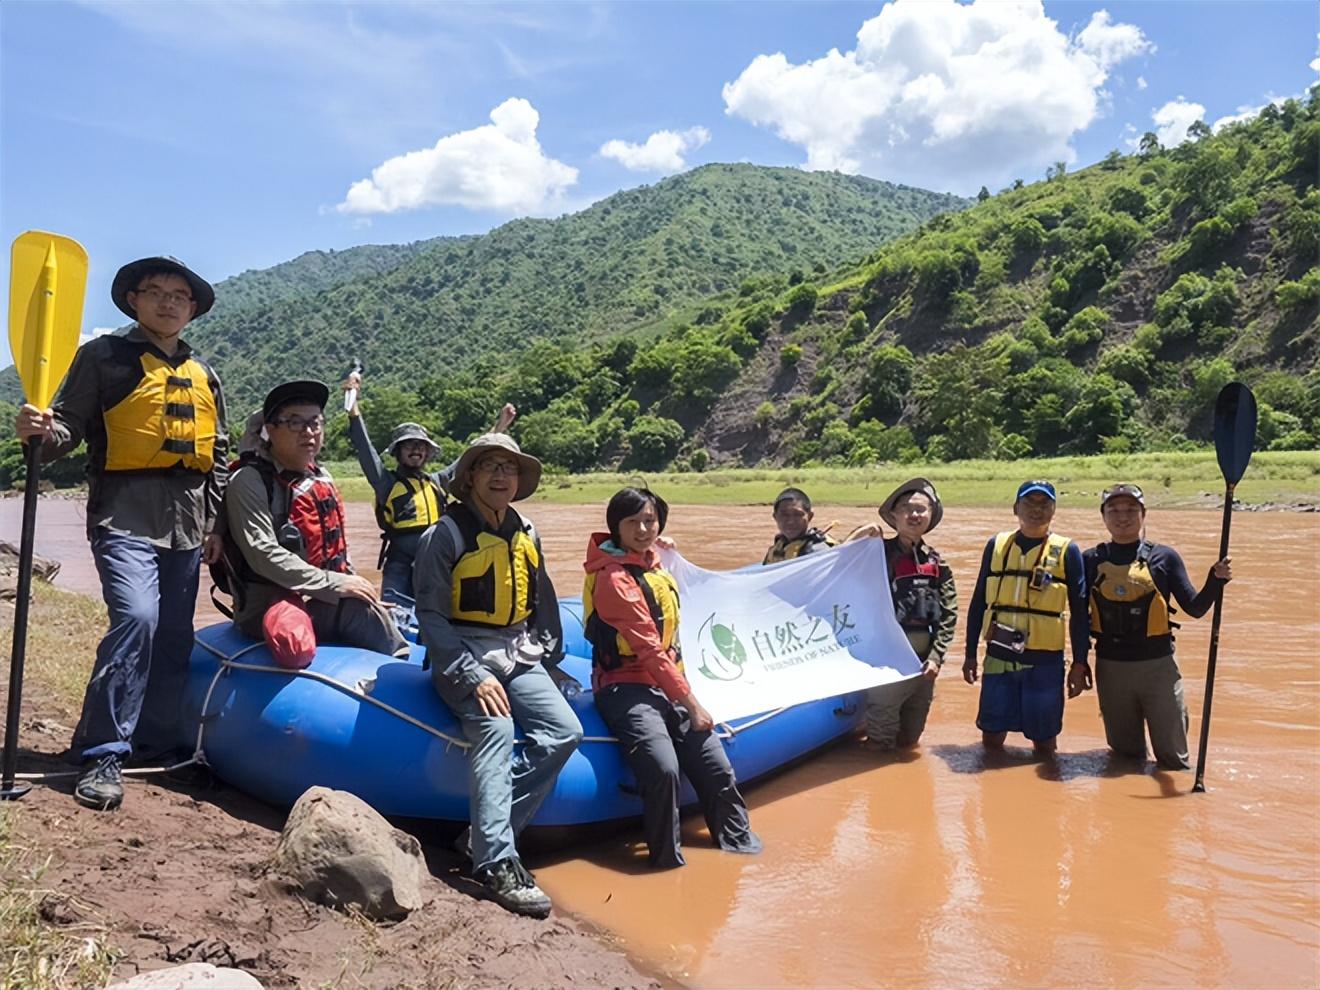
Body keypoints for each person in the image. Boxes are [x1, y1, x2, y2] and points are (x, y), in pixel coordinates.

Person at [14, 256, 228, 811]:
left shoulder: (205, 373)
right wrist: (39, 432)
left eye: (179, 295)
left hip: (186, 523)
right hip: (123, 515)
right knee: (137, 619)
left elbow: (218, 452)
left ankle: (154, 746)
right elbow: (68, 428)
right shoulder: (103, 356)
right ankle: (103, 752)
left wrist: (214, 524)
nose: (167, 302)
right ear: (133, 300)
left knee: (175, 638)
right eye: (154, 292)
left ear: (193, 308)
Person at [413, 433, 582, 918]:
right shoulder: (443, 535)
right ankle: (495, 861)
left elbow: (542, 602)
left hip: (517, 649)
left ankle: (482, 836)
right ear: (469, 477)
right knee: (496, 727)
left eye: (509, 467)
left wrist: (549, 657)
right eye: (490, 466)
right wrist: (469, 675)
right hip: (463, 650)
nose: (501, 475)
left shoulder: (528, 530)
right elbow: (431, 615)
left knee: (565, 731)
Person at [584, 487, 762, 869]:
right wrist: (693, 705)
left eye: (650, 520)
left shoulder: (653, 560)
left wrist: (660, 546)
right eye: (633, 522)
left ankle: (741, 845)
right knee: (664, 769)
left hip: (666, 683)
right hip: (624, 685)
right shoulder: (613, 579)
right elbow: (649, 649)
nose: (644, 529)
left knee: (716, 767)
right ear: (615, 527)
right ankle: (666, 863)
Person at [220, 380, 408, 669]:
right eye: (295, 423)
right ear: (270, 430)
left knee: (373, 614)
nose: (309, 432)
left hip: (323, 592)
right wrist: (334, 585)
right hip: (272, 599)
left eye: (315, 423)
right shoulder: (249, 480)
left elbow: (336, 551)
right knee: (295, 644)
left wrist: (353, 586)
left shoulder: (321, 476)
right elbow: (263, 555)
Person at [1084, 483, 1232, 770]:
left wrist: (1216, 580)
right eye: (1114, 510)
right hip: (1111, 667)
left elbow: (1195, 608)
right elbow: (1078, 615)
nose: (1122, 517)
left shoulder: (1165, 557)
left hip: (1159, 668)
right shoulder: (1090, 559)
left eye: (1130, 510)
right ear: (1103, 516)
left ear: (1144, 514)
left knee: (1173, 759)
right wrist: (1079, 662)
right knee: (1125, 760)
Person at [342, 369, 516, 605]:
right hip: (400, 565)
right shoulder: (386, 483)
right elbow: (365, 449)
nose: (416, 450)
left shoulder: (437, 482)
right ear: (398, 452)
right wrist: (353, 410)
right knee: (396, 614)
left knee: (441, 612)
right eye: (409, 445)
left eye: (421, 446)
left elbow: (470, 454)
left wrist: (500, 426)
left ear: (427, 453)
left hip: (437, 561)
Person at [962, 481, 1091, 756]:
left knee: (1045, 741)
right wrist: (970, 653)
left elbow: (1080, 614)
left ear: (1054, 509)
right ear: (1015, 508)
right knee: (992, 735)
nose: (1037, 509)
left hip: (1044, 660)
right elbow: (977, 602)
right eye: (1029, 503)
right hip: (999, 655)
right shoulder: (996, 545)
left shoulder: (1068, 550)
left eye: (1044, 503)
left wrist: (1080, 663)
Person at [850, 478, 958, 751]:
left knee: (911, 740)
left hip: (924, 666)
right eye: (907, 508)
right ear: (894, 516)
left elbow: (949, 614)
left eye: (921, 509)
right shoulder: (877, 553)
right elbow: (837, 561)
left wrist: (937, 657)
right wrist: (864, 531)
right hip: (886, 663)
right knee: (880, 743)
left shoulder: (938, 563)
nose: (914, 515)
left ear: (930, 516)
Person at [762, 487, 835, 564]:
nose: (791, 521)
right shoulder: (775, 549)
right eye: (784, 515)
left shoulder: (819, 553)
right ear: (775, 517)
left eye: (798, 514)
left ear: (810, 516)